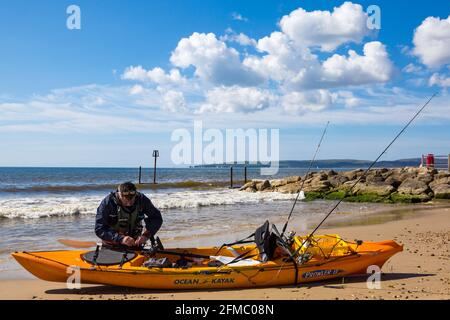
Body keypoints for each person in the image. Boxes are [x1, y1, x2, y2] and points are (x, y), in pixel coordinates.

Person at [95, 182, 163, 247]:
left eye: (132, 200)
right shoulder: (107, 203)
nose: (129, 203)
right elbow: (99, 229)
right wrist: (121, 239)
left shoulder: (141, 199)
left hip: (135, 243)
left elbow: (157, 218)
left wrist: (146, 235)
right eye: (126, 200)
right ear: (119, 195)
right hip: (112, 244)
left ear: (135, 194)